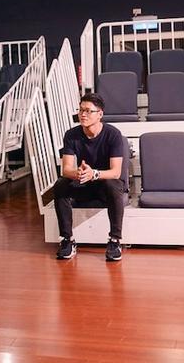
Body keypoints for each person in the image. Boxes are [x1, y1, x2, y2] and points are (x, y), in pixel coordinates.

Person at [52, 93, 128, 261]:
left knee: (113, 184)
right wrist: (78, 173)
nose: (83, 114)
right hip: (85, 183)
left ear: (100, 114)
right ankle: (67, 240)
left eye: (88, 111)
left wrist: (93, 173)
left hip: (105, 185)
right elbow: (66, 169)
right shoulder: (71, 134)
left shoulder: (113, 134)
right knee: (60, 185)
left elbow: (116, 172)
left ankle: (115, 240)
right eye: (81, 110)